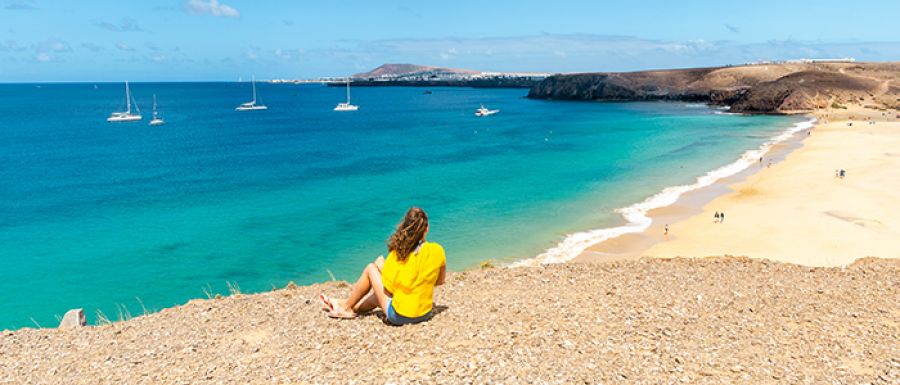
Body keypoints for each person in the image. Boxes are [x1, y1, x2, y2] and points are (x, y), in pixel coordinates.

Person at [321, 207, 446, 326]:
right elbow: (439, 281)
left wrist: (382, 267)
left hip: (400, 316)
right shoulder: (438, 251)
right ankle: (344, 304)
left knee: (371, 267)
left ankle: (345, 307)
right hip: (425, 313)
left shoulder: (398, 254)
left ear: (404, 228)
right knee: (376, 298)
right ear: (427, 228)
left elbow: (389, 288)